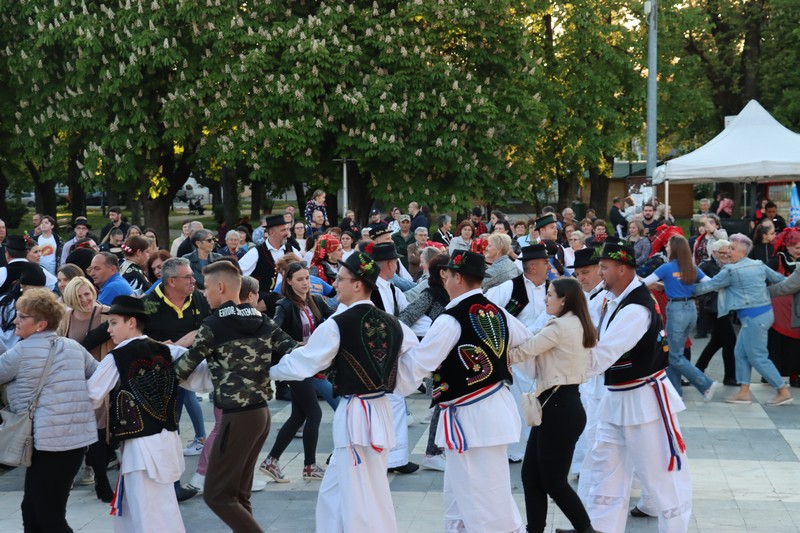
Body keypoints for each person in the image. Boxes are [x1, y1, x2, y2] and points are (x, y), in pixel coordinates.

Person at [269, 251, 419, 533]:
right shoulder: (392, 323)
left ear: (358, 284)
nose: (334, 285)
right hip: (379, 410)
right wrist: (396, 384)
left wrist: (266, 373)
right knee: (340, 487)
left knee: (358, 489)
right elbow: (415, 363)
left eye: (340, 279)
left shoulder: (337, 325)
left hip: (357, 414)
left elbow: (304, 362)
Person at [393, 250, 530, 532]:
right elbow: (526, 340)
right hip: (492, 409)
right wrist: (501, 361)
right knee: (467, 493)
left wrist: (389, 380)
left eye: (447, 273)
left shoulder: (450, 319)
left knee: (482, 498)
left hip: (471, 418)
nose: (444, 278)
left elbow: (421, 362)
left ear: (456, 277)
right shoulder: (497, 311)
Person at [174, 261, 297, 532]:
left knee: (216, 495)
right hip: (261, 414)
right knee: (239, 495)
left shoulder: (213, 324)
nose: (204, 294)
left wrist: (171, 349)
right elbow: (292, 348)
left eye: (206, 288)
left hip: (237, 416)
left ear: (220, 287)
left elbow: (183, 368)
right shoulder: (261, 319)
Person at [584, 241, 692, 533]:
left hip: (643, 401)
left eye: (604, 267)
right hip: (616, 398)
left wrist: (563, 371)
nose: (599, 273)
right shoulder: (612, 298)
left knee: (661, 476)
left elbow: (604, 353)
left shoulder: (636, 308)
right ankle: (601, 528)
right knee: (605, 469)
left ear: (622, 269)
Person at [86, 295, 190, 532]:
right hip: (165, 439)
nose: (108, 330)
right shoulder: (168, 351)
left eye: (113, 323)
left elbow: (92, 395)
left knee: (148, 512)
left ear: (131, 322)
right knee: (153, 508)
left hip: (140, 448)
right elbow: (201, 379)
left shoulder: (117, 357)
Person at [0, 288, 98, 532]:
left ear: (41, 324)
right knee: (34, 510)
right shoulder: (73, 347)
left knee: (47, 516)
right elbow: (99, 376)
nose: (15, 320)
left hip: (48, 444)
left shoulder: (21, 352)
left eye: (23, 317)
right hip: (75, 441)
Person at [509, 278, 596, 533]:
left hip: (559, 408)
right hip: (560, 405)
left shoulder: (559, 327)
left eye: (549, 294)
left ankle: (586, 530)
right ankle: (535, 529)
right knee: (531, 475)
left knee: (553, 481)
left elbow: (525, 350)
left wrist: (492, 353)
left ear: (564, 299)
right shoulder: (579, 323)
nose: (546, 299)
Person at [694, 233, 791, 405]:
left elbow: (709, 286)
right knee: (740, 353)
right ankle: (744, 392)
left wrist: (679, 291)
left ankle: (782, 390)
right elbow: (782, 280)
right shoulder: (758, 265)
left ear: (742, 252)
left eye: (731, 249)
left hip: (754, 318)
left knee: (757, 356)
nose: (727, 252)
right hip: (762, 315)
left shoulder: (731, 270)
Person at [260, 262, 334, 482]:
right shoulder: (285, 304)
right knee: (314, 413)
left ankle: (271, 461)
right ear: (289, 282)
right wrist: (296, 344)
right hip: (295, 365)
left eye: (307, 279)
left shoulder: (316, 301)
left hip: (313, 364)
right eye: (300, 279)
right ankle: (309, 466)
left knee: (299, 415)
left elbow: (334, 320)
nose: (305, 283)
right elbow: (274, 329)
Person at [57, 276, 117, 500]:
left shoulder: (107, 313)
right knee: (75, 431)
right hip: (72, 383)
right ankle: (81, 474)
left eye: (88, 293)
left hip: (101, 382)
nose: (85, 299)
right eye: (80, 295)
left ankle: (101, 482)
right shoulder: (65, 317)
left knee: (100, 433)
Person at [642, 235, 719, 399]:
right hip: (691, 310)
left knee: (674, 355)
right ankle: (675, 392)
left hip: (676, 310)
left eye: (668, 245)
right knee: (675, 353)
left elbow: (644, 283)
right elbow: (711, 283)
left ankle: (705, 384)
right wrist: (690, 290)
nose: (666, 248)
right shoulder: (691, 267)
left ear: (675, 248)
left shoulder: (666, 267)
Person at [367, 242, 418, 474]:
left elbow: (411, 317)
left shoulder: (394, 290)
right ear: (390, 264)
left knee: (393, 403)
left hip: (391, 354)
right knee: (386, 403)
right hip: (372, 354)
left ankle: (394, 458)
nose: (397, 265)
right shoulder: (369, 289)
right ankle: (391, 458)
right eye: (396, 261)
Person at [239, 214, 300, 317]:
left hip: (289, 303)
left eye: (286, 229)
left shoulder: (291, 250)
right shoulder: (256, 252)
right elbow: (238, 274)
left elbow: (303, 270)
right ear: (271, 232)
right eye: (283, 230)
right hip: (265, 308)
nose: (286, 233)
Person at [695, 240, 737, 386]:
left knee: (717, 341)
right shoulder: (706, 265)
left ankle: (698, 369)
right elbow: (695, 284)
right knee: (730, 341)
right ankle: (730, 377)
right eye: (722, 253)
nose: (726, 255)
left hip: (725, 307)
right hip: (713, 308)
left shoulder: (730, 266)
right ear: (714, 253)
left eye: (728, 252)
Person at [765, 228, 800, 388]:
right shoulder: (777, 260)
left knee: (795, 344)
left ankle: (794, 375)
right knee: (776, 342)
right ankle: (771, 374)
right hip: (779, 309)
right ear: (787, 245)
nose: (799, 250)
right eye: (796, 247)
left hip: (795, 308)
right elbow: (765, 278)